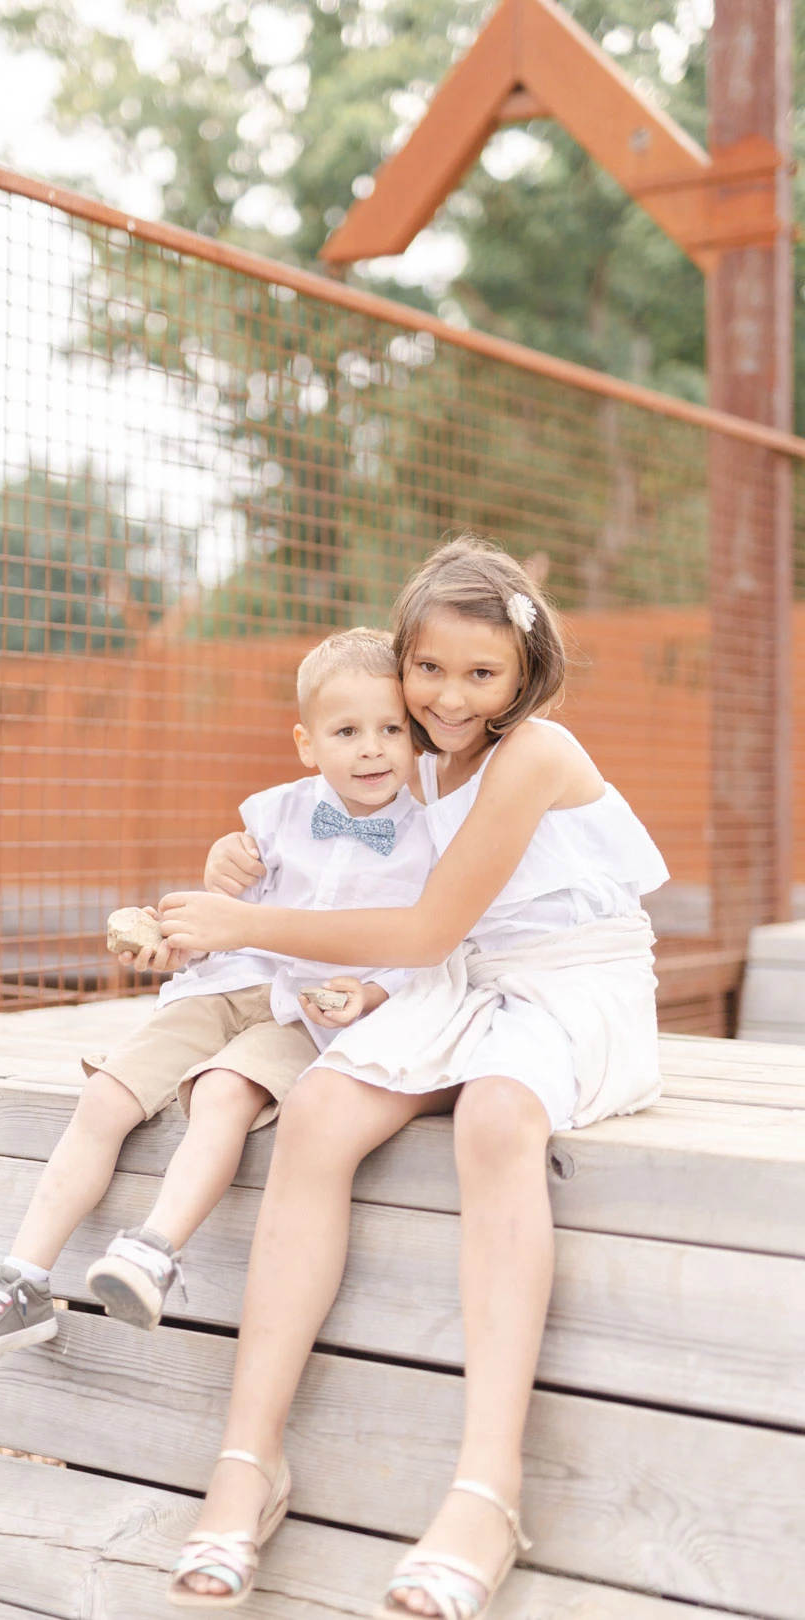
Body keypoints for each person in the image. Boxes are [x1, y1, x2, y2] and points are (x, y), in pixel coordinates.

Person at [159, 537, 669, 1616]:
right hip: (450, 978)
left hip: (570, 986)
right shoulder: (413, 749)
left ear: (525, 674)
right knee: (319, 1107)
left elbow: (430, 918)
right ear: (403, 660)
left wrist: (242, 922)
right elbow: (329, 829)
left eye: (480, 674)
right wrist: (236, 854)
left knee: (495, 1115)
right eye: (427, 669)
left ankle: (487, 1488)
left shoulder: (533, 751)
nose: (446, 696)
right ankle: (248, 1464)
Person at [0, 627, 435, 1360]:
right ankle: (20, 1280)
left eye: (391, 730)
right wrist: (204, 891)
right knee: (106, 1095)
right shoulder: (274, 814)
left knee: (224, 1090)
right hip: (231, 981)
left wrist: (374, 996)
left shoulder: (429, 838)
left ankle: (153, 1249)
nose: (372, 748)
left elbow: (425, 946)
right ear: (306, 742)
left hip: (310, 1013)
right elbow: (235, 904)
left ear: (416, 739)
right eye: (347, 731)